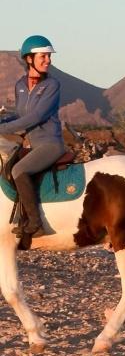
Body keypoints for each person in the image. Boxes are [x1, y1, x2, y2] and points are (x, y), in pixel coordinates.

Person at [0, 35, 66, 237]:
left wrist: (3, 130)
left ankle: (35, 223)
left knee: (20, 169)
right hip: (31, 144)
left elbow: (36, 116)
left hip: (50, 144)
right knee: (8, 166)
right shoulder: (20, 84)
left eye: (48, 56)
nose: (48, 60)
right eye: (43, 57)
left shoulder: (52, 85)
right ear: (29, 59)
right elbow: (20, 114)